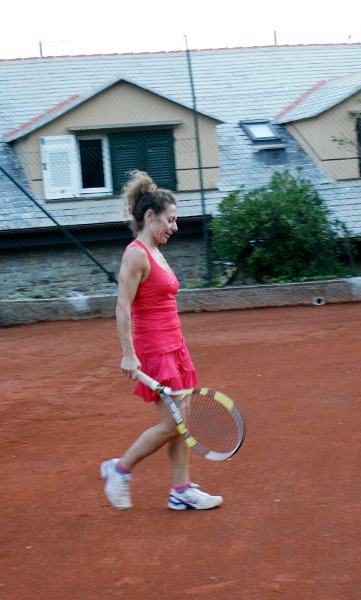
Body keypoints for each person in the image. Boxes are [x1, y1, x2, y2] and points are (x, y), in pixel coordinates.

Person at [100, 171, 223, 511]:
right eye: (170, 220)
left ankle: (181, 490)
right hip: (155, 351)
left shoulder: (155, 250)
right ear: (150, 216)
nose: (175, 227)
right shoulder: (136, 254)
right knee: (174, 423)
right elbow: (122, 306)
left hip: (175, 347)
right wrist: (128, 354)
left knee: (182, 422)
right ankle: (120, 470)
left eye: (176, 220)